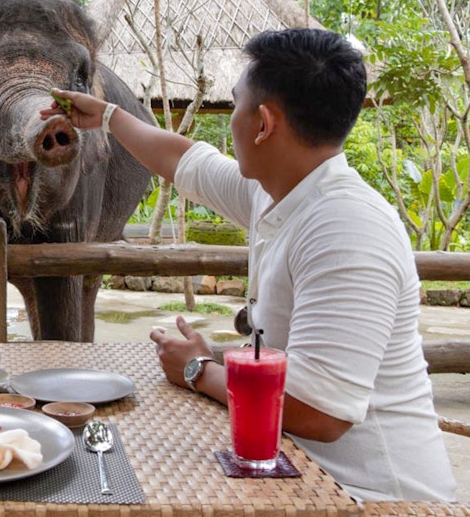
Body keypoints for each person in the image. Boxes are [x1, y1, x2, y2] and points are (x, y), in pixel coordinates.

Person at [43, 28, 456, 502]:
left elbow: (319, 412)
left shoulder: (347, 228)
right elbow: (183, 159)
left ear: (262, 124)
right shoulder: (279, 191)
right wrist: (109, 116)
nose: (232, 116)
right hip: (289, 470)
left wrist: (199, 370)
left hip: (371, 497)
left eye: (235, 103)